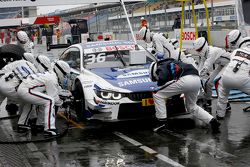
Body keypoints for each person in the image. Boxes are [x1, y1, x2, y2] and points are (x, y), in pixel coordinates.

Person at [149, 58, 220, 133]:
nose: (157, 79)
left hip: (185, 80)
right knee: (191, 106)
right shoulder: (173, 62)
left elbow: (163, 78)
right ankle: (212, 121)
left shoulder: (161, 66)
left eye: (155, 78)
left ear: (154, 72)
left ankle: (161, 122)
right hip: (196, 80)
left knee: (157, 94)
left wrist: (159, 84)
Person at [17, 60, 71, 136]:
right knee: (50, 101)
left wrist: (65, 95)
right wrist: (63, 102)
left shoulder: (50, 75)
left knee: (37, 102)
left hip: (23, 89)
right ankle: (49, 129)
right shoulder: (52, 78)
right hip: (26, 90)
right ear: (60, 71)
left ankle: (23, 124)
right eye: (64, 74)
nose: (65, 77)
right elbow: (54, 97)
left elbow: (57, 89)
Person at [193, 37, 231, 109]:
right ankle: (208, 100)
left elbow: (206, 67)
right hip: (222, 65)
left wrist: (198, 77)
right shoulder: (205, 53)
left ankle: (226, 104)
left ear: (203, 46)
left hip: (229, 64)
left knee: (217, 82)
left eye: (199, 49)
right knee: (208, 83)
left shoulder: (212, 51)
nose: (198, 52)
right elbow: (201, 66)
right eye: (197, 50)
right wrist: (196, 75)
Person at [216, 47, 250, 120]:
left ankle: (220, 115)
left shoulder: (236, 51)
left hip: (226, 77)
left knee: (222, 95)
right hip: (242, 79)